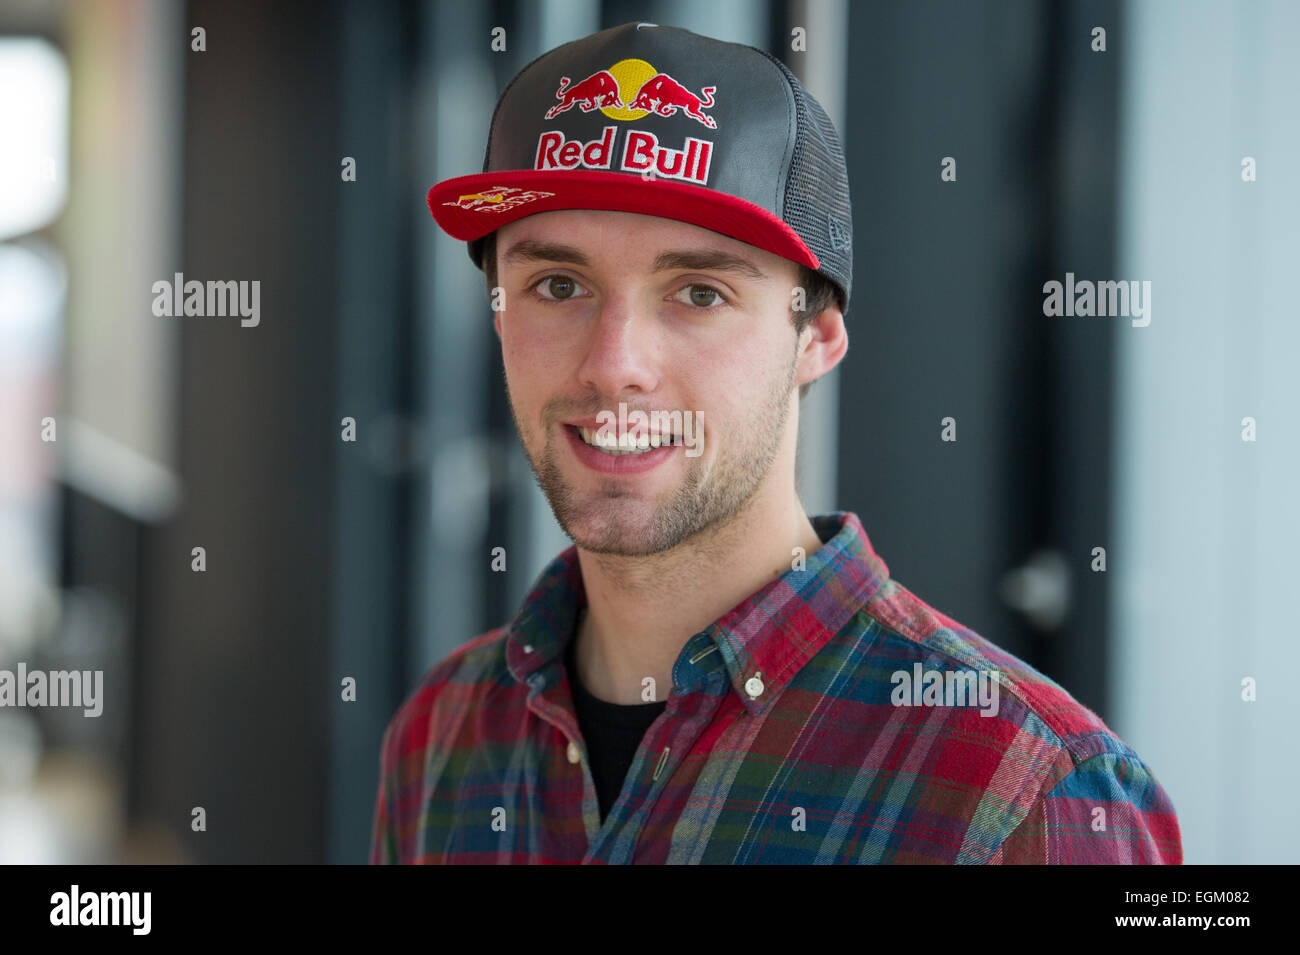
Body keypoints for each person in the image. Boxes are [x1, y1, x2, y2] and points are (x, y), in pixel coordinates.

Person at [369, 21, 1182, 864]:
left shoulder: (1029, 790)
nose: (615, 366)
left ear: (817, 336)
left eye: (699, 292)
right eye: (558, 284)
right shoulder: (443, 733)